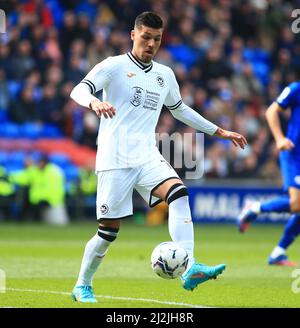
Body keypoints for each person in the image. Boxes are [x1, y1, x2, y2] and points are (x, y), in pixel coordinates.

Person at [70, 11, 247, 303]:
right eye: (145, 37)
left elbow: (180, 110)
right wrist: (94, 102)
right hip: (115, 159)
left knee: (179, 193)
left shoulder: (165, 75)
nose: (151, 43)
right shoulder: (113, 66)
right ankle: (82, 284)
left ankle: (190, 266)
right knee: (107, 232)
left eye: (157, 38)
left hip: (147, 155)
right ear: (133, 34)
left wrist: (219, 131)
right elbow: (78, 89)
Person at [237, 81, 300, 266]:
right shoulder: (296, 89)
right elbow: (271, 111)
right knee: (297, 204)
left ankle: (278, 253)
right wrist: (280, 139)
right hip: (293, 154)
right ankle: (254, 208)